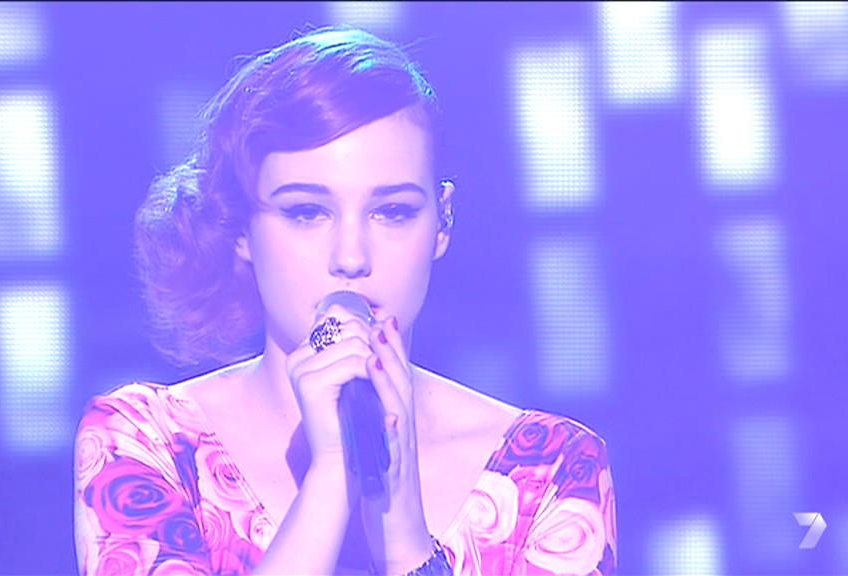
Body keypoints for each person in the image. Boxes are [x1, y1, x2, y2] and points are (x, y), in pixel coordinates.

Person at [73, 26, 617, 576]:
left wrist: (404, 538)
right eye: (306, 212)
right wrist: (331, 476)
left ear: (442, 222)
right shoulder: (148, 445)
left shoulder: (546, 473)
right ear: (240, 228)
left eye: (393, 211)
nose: (351, 257)